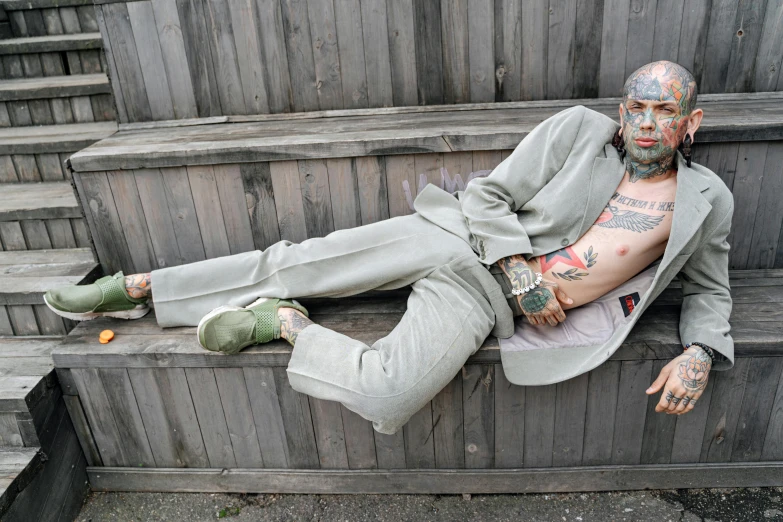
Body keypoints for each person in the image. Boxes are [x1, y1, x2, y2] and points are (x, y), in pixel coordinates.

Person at [44, 61, 734, 435]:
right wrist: (517, 264)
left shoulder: (705, 200)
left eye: (663, 110)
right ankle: (141, 287)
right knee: (300, 258)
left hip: (480, 298)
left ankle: (281, 323)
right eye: (635, 108)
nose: (645, 123)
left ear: (689, 120)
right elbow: (488, 195)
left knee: (390, 395)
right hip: (460, 238)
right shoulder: (578, 132)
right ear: (622, 110)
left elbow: (707, 290)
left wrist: (699, 352)